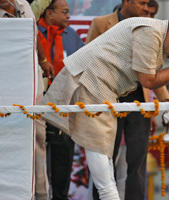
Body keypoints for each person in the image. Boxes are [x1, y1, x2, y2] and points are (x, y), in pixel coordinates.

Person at [40, 17, 169, 200]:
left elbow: (153, 76)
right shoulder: (150, 32)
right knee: (98, 149)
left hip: (97, 87)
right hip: (89, 82)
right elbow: (148, 80)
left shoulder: (156, 33)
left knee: (102, 150)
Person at [86, 1, 166, 200]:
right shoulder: (100, 23)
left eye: (149, 8)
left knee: (138, 161)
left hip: (140, 100)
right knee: (106, 159)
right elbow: (87, 60)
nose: (145, 10)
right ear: (126, 2)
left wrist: (166, 105)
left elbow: (153, 70)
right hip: (109, 100)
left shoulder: (149, 28)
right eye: (141, 4)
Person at [0, 1, 55, 200]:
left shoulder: (22, 3)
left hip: (32, 85)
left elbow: (32, 34)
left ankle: (40, 194)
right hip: (5, 88)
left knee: (38, 139)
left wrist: (43, 60)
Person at [37, 0, 84, 199]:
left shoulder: (72, 36)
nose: (68, 16)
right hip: (37, 104)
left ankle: (61, 196)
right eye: (64, 12)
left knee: (63, 157)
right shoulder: (33, 34)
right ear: (49, 13)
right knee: (38, 157)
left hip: (65, 106)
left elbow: (83, 65)